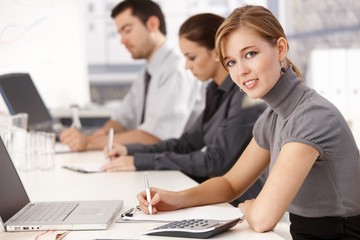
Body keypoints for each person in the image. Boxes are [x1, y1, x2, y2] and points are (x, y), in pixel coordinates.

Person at [137, 5, 360, 239]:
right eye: (231, 62)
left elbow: (263, 218)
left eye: (250, 54)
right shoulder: (273, 116)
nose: (241, 71)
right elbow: (231, 184)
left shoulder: (311, 116)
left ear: (280, 48)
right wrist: (177, 198)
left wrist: (249, 207)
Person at [101, 13, 266, 203]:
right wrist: (130, 152)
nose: (187, 66)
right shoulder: (214, 90)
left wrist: (139, 161)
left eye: (192, 57)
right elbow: (186, 144)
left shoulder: (245, 96)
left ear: (215, 52)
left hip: (240, 203)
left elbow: (214, 160)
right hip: (215, 194)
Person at [60, 0, 203, 151]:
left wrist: (89, 142)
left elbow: (154, 137)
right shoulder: (149, 71)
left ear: (152, 24)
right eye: (120, 33)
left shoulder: (176, 69)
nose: (122, 41)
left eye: (127, 30)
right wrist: (102, 134)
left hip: (180, 169)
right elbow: (123, 120)